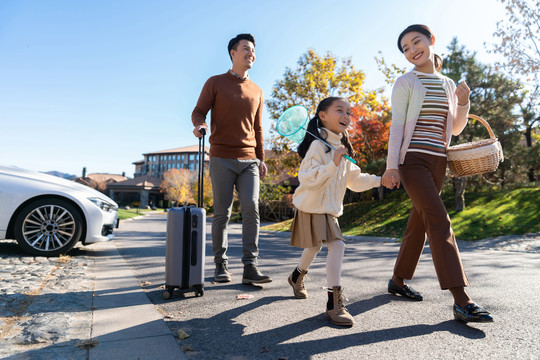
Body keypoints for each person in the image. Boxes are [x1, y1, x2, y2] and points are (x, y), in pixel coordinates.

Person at [381, 24, 493, 323]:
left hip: (438, 161)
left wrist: (464, 100)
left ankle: (398, 280)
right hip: (412, 161)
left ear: (431, 41)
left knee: (419, 223)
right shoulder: (406, 82)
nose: (411, 50)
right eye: (405, 48)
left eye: (415, 42)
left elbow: (454, 129)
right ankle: (461, 299)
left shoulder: (447, 83)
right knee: (439, 221)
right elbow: (398, 127)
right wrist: (392, 165)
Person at [286, 97, 382, 327]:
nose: (346, 116)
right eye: (340, 110)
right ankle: (333, 304)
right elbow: (306, 178)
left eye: (349, 112)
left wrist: (382, 180)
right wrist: (333, 164)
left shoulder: (341, 148)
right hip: (310, 205)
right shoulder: (318, 146)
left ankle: (296, 276)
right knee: (337, 245)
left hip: (327, 209)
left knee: (315, 246)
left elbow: (356, 180)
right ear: (323, 116)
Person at [192, 33, 271, 285]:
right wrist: (200, 125)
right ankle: (220, 265)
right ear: (233, 53)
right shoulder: (215, 82)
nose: (251, 54)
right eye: (246, 49)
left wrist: (261, 158)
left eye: (254, 51)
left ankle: (250, 266)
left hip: (249, 160)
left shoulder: (257, 90)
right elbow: (198, 111)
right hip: (221, 157)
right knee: (222, 213)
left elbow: (258, 129)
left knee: (252, 209)